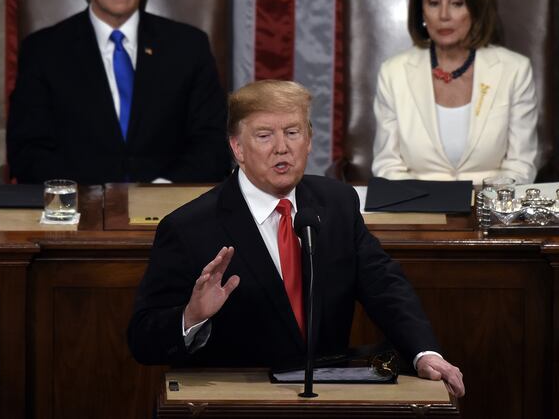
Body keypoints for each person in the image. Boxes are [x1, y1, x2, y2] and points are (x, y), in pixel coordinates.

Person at [128, 80, 465, 398]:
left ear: (309, 139)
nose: (281, 148)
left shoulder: (337, 203)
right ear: (237, 148)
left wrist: (424, 352)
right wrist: (191, 317)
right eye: (264, 136)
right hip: (238, 402)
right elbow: (142, 340)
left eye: (292, 132)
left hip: (327, 397)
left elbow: (384, 285)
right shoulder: (189, 227)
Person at [6, 0, 229, 184]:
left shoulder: (189, 47)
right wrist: (88, 195)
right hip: (78, 211)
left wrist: (163, 191)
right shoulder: (44, 50)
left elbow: (212, 144)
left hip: (170, 211)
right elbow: (27, 151)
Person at [372, 0, 538, 185]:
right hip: (418, 212)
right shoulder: (393, 73)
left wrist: (479, 204)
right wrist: (429, 205)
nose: (444, 15)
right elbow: (387, 165)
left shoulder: (515, 70)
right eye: (433, 2)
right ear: (422, 11)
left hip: (488, 210)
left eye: (457, 3)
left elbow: (520, 166)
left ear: (476, 9)